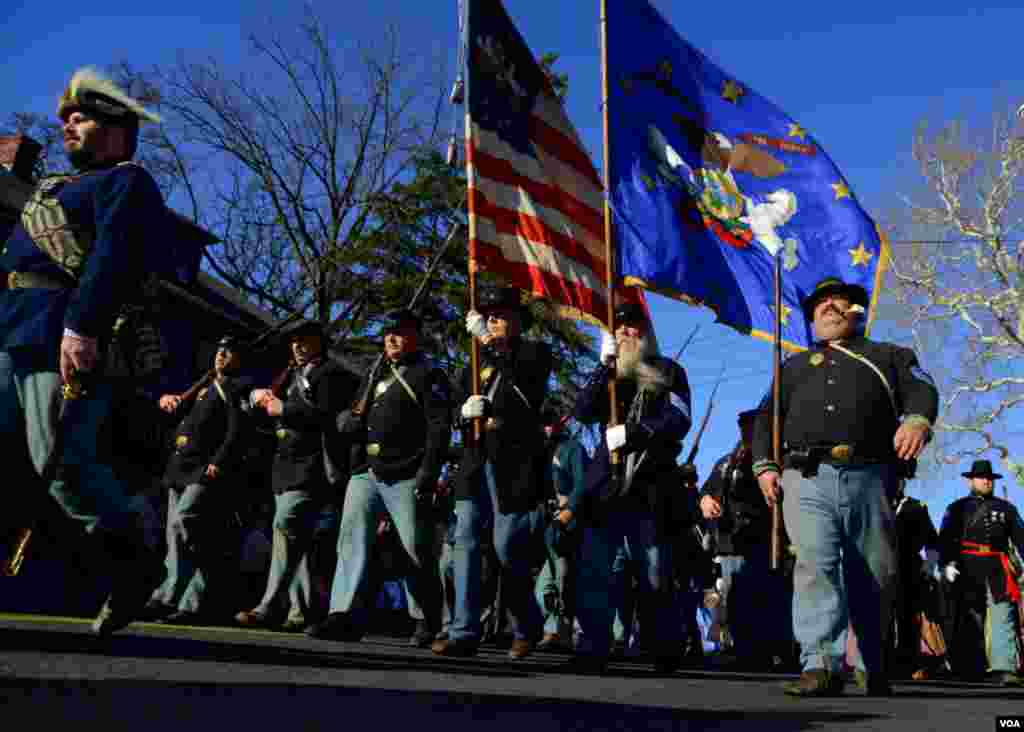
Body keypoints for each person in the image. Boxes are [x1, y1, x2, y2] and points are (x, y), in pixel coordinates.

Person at [0, 67, 172, 635]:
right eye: (66, 120)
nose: (68, 127)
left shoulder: (127, 182)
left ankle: (135, 558)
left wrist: (83, 328)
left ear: (117, 128)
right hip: (11, 327)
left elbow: (112, 259)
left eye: (81, 118)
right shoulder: (54, 188)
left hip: (56, 332)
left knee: (64, 469)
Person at [752, 276, 938, 696]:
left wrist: (917, 419)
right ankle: (820, 664)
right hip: (806, 477)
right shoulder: (792, 366)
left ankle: (873, 661)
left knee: (873, 571)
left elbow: (921, 387)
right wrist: (764, 466)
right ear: (812, 319)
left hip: (870, 475)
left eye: (838, 300)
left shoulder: (889, 355)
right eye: (821, 304)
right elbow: (766, 418)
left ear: (856, 311)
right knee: (814, 565)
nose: (829, 307)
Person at [307, 309, 449, 646]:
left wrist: (428, 473)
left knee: (414, 548)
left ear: (416, 337)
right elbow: (356, 412)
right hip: (366, 471)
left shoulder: (429, 374)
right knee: (351, 542)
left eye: (400, 332)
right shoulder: (375, 372)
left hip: (407, 472)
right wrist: (347, 421)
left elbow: (438, 428)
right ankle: (343, 614)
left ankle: (425, 618)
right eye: (387, 333)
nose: (391, 338)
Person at [564, 302, 692, 674]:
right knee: (596, 569)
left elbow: (679, 419)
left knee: (653, 570)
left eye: (632, 326)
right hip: (605, 487)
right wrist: (603, 367)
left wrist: (634, 433)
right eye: (617, 328)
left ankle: (663, 647)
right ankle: (593, 646)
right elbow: (582, 411)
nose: (624, 332)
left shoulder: (669, 371)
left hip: (650, 483)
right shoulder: (608, 373)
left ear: (646, 332)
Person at [431, 286, 551, 660]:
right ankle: (463, 631)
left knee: (506, 549)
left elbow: (526, 391)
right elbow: (452, 405)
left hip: (513, 465)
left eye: (501, 315)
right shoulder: (476, 360)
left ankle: (526, 624)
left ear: (517, 321)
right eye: (490, 316)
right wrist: (462, 413)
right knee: (465, 544)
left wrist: (486, 340)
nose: (494, 320)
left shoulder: (534, 354)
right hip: (474, 460)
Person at [235, 319, 359, 630]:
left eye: (305, 340)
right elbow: (272, 420)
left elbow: (328, 418)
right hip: (284, 466)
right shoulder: (290, 374)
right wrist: (259, 401)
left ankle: (268, 606)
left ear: (319, 342)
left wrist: (284, 409)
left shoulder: (331, 374)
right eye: (294, 341)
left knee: (285, 525)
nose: (298, 346)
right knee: (298, 541)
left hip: (312, 465)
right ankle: (300, 611)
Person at [144, 335, 248, 624]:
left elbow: (236, 430)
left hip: (204, 469)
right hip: (180, 467)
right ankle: (174, 599)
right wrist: (166, 399)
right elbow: (182, 419)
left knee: (183, 523)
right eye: (220, 350)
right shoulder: (204, 384)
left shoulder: (237, 387)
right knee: (175, 535)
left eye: (229, 351)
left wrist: (219, 461)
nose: (221, 355)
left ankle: (182, 595)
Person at [700, 409, 791, 671]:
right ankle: (745, 651)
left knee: (766, 598)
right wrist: (705, 500)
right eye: (743, 427)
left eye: (752, 426)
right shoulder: (727, 461)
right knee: (736, 599)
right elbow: (707, 489)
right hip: (730, 541)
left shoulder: (771, 460)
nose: (746, 431)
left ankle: (773, 651)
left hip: (762, 539)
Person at [938, 460, 1024, 687]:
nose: (986, 481)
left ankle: (1004, 668)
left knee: (1002, 616)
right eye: (981, 477)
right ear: (971, 481)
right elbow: (945, 539)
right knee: (968, 617)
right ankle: (968, 667)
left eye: (989, 478)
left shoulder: (1006, 509)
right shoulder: (956, 508)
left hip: (997, 568)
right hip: (966, 567)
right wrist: (946, 564)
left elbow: (1021, 538)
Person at [534, 402, 589, 651]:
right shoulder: (539, 452)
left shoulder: (573, 448)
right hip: (547, 526)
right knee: (544, 588)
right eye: (542, 423)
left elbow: (582, 485)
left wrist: (569, 511)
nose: (545, 428)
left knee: (564, 580)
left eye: (549, 422)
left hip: (570, 526)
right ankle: (553, 629)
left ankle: (560, 631)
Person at [889, 483, 943, 679]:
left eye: (899, 478)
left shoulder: (917, 508)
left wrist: (928, 571)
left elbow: (932, 543)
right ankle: (883, 662)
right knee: (882, 617)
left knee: (908, 618)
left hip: (909, 569)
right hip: (879, 567)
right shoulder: (874, 502)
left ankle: (908, 663)